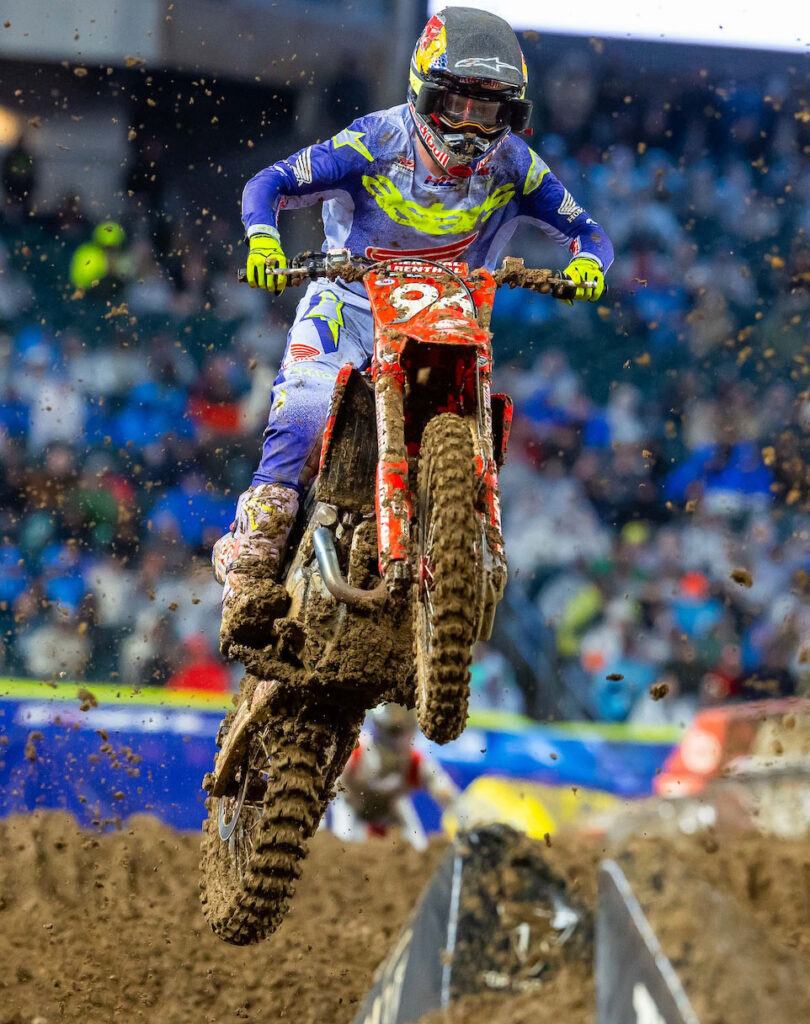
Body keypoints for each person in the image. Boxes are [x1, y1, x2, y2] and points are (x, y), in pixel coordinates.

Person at [213, 6, 614, 651]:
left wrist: (589, 263)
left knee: (472, 418)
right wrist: (262, 240)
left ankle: (456, 559)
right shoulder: (375, 139)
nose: (471, 127)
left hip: (446, 314)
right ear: (425, 92)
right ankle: (253, 564)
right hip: (348, 302)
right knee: (306, 411)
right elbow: (271, 182)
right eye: (457, 104)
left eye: (490, 112)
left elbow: (589, 232)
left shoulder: (514, 164)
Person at [326, 703, 459, 850]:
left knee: (418, 847)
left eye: (403, 731)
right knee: (344, 847)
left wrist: (464, 816)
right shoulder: (356, 753)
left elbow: (444, 791)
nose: (399, 740)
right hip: (353, 809)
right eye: (393, 733)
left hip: (392, 811)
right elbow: (328, 790)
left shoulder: (414, 761)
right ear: (379, 730)